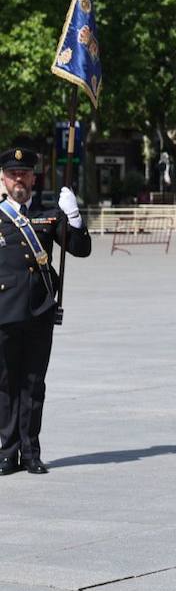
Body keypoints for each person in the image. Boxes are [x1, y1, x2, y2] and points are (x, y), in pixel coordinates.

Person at [0, 148, 92, 476]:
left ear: (34, 178)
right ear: (3, 178)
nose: (19, 180)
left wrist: (75, 218)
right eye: (13, 174)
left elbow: (80, 250)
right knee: (6, 383)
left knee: (34, 383)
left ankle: (31, 451)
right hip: (4, 313)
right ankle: (7, 451)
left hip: (40, 311)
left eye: (24, 174)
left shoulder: (48, 213)